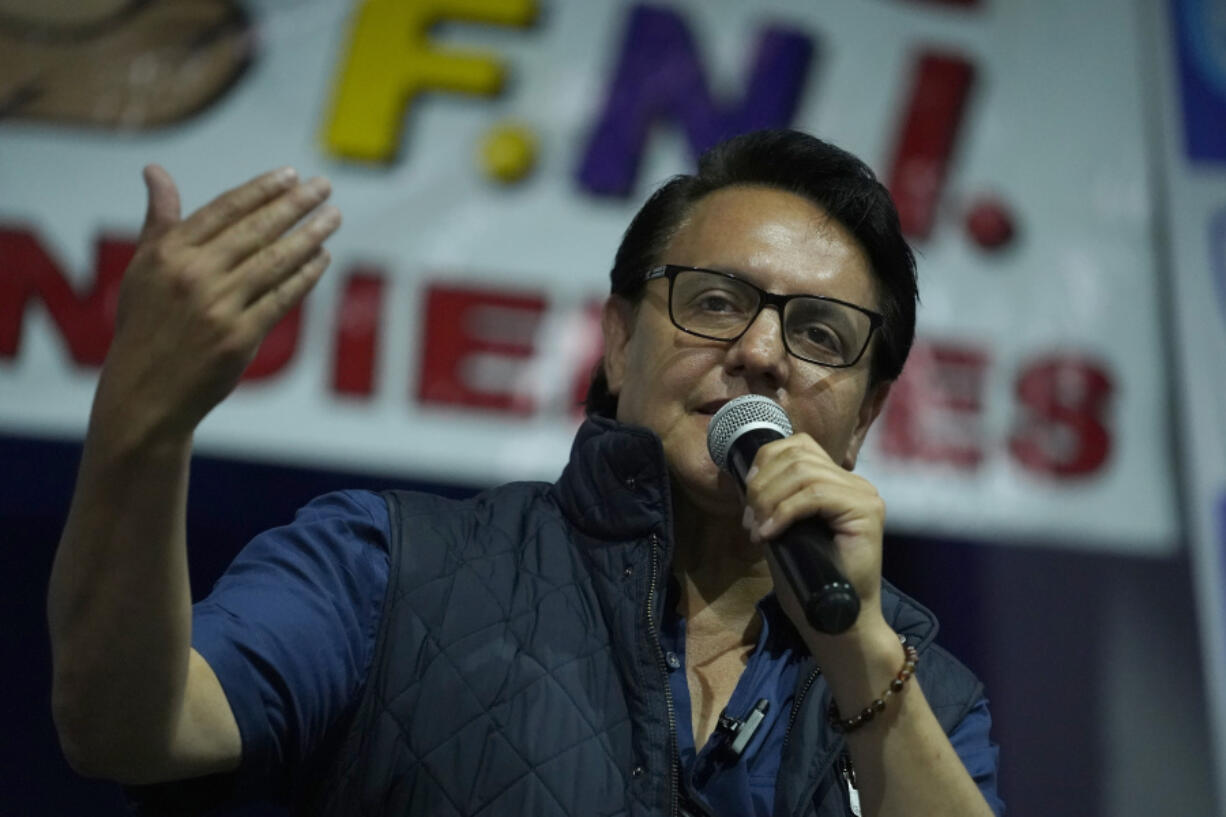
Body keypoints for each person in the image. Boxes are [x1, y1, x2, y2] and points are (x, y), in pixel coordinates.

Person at [48, 129, 1003, 816]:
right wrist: (143, 427)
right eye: (716, 300)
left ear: (867, 414)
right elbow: (131, 724)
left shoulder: (930, 696)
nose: (760, 351)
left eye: (820, 335)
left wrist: (861, 653)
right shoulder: (390, 567)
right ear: (620, 342)